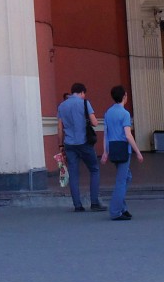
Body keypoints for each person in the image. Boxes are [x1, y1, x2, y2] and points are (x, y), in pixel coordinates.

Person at [55, 82, 102, 212]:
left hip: (69, 143)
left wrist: (60, 144)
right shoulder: (85, 103)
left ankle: (77, 205)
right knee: (94, 169)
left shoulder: (62, 106)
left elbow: (59, 127)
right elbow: (94, 122)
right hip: (84, 142)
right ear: (82, 92)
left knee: (74, 174)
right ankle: (94, 202)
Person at [101, 85, 144, 221]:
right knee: (121, 181)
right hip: (124, 149)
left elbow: (106, 134)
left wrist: (105, 152)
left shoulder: (108, 112)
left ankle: (122, 208)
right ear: (125, 96)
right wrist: (138, 151)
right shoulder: (125, 114)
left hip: (113, 148)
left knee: (126, 177)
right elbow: (128, 135)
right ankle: (116, 210)